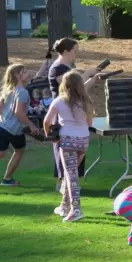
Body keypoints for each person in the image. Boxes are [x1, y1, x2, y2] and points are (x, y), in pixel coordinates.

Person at [49, 37, 101, 184]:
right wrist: (87, 73)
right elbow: (68, 86)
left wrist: (92, 79)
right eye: (74, 51)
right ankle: (62, 183)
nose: (76, 55)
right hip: (62, 114)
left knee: (78, 149)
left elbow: (79, 89)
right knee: (63, 151)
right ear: (65, 51)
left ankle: (72, 183)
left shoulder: (69, 68)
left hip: (76, 113)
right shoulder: (57, 68)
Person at [44, 72, 94, 223]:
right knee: (69, 173)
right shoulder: (87, 101)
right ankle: (64, 206)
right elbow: (90, 123)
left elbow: (47, 121)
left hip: (67, 141)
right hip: (83, 141)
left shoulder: (59, 101)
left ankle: (76, 209)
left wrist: (49, 135)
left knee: (71, 175)